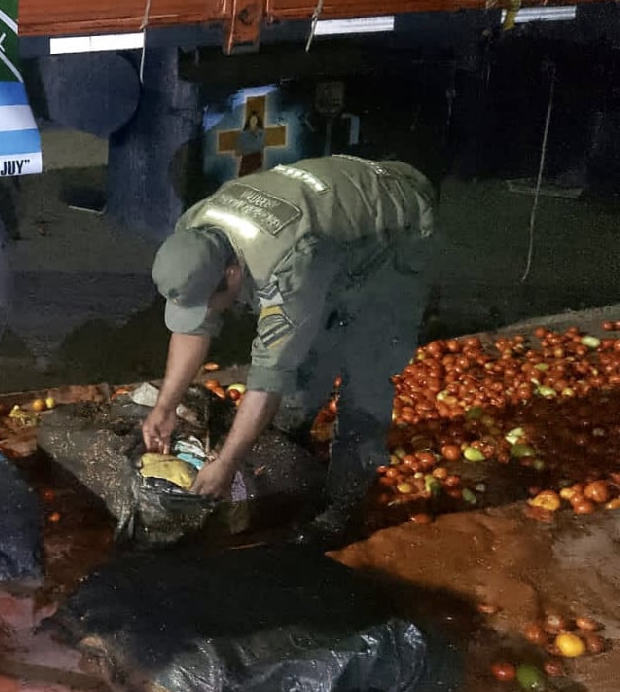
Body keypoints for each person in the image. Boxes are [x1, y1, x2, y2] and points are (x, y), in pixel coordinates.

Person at [141, 155, 437, 547]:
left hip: (396, 232)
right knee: (309, 354)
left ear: (232, 274)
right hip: (330, 228)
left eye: (210, 301)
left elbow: (269, 373)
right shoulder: (196, 230)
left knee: (364, 370)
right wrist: (164, 407)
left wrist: (227, 462)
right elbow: (194, 327)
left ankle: (342, 503)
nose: (207, 312)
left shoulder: (290, 263)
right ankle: (293, 454)